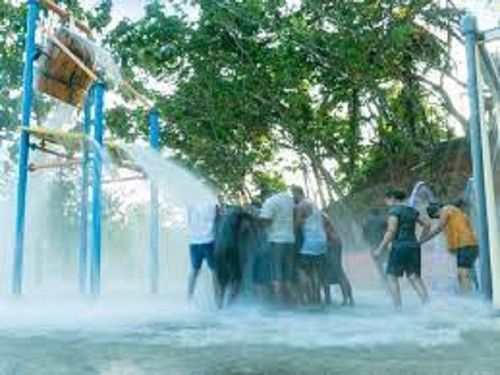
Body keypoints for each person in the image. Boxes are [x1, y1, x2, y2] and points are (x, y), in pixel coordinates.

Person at [372, 189, 430, 309]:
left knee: (391, 277)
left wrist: (379, 249)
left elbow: (391, 231)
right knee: (414, 277)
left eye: (387, 200)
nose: (386, 203)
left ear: (392, 198)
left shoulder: (394, 211)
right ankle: (428, 305)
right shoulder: (413, 210)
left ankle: (397, 308)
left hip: (399, 247)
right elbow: (427, 225)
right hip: (413, 246)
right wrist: (420, 240)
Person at [421, 202, 479, 294]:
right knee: (466, 274)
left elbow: (439, 228)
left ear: (436, 212)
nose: (438, 219)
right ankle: (470, 294)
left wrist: (423, 240)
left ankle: (468, 297)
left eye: (437, 217)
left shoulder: (446, 209)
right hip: (468, 245)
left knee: (462, 274)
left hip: (466, 244)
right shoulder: (456, 213)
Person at [258, 186, 296, 305]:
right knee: (288, 277)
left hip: (276, 241)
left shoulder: (270, 202)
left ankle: (280, 308)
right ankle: (295, 306)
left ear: (265, 195)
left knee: (277, 276)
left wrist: (256, 219)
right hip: (290, 240)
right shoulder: (289, 199)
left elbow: (265, 221)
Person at [292, 186, 328, 305]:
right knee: (315, 272)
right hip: (321, 240)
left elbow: (297, 223)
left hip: (310, 242)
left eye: (293, 195)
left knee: (302, 270)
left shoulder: (301, 205)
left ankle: (305, 301)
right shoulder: (313, 203)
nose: (293, 198)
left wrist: (289, 231)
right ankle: (317, 299)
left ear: (297, 193)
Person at [187, 199, 219, 302]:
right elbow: (218, 218)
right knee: (215, 271)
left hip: (194, 242)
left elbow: (189, 221)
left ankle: (189, 298)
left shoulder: (192, 204)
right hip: (209, 241)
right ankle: (218, 301)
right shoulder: (214, 203)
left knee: (194, 271)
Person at [323, 215, 355, 306]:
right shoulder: (323, 216)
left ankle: (346, 299)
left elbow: (327, 231)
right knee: (333, 272)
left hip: (332, 244)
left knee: (338, 272)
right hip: (334, 244)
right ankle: (348, 299)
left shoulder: (321, 217)